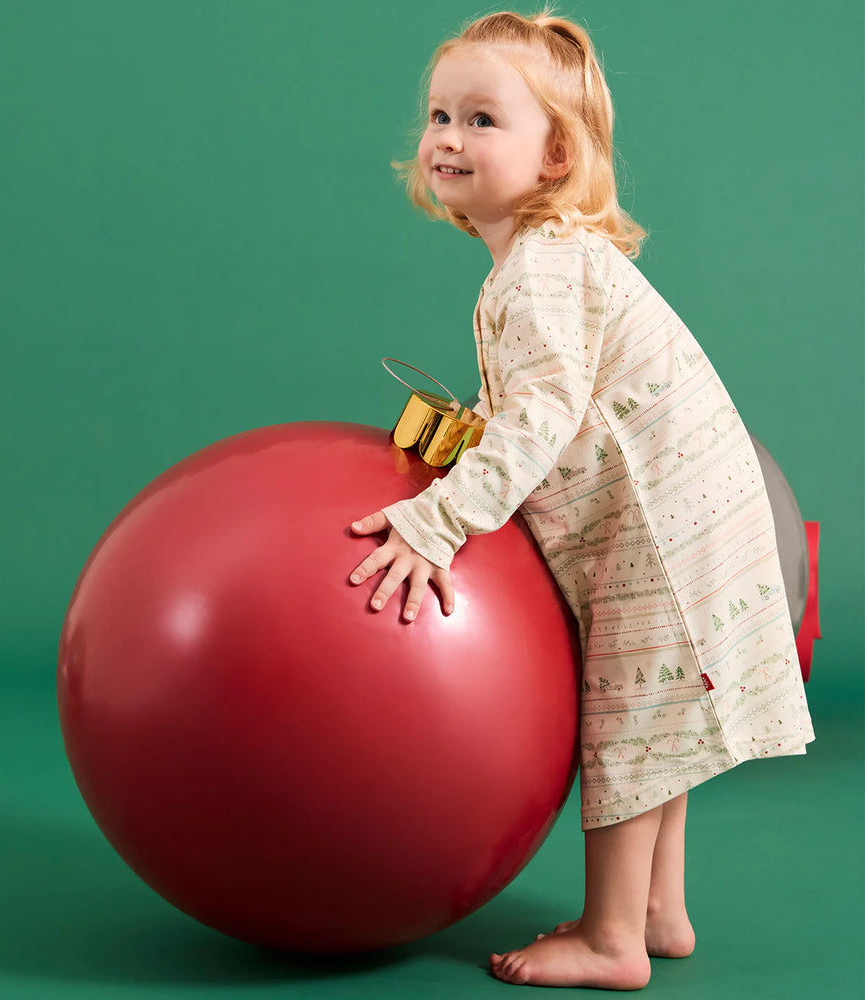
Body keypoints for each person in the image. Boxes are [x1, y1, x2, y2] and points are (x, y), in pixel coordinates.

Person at [346, 9, 814, 990]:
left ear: (555, 156)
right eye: (440, 114)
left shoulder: (541, 271)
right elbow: (543, 398)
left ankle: (611, 939)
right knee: (661, 719)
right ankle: (658, 909)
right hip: (688, 519)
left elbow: (541, 419)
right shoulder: (542, 259)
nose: (448, 137)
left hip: (666, 535)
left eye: (483, 120)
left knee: (629, 726)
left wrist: (439, 521)